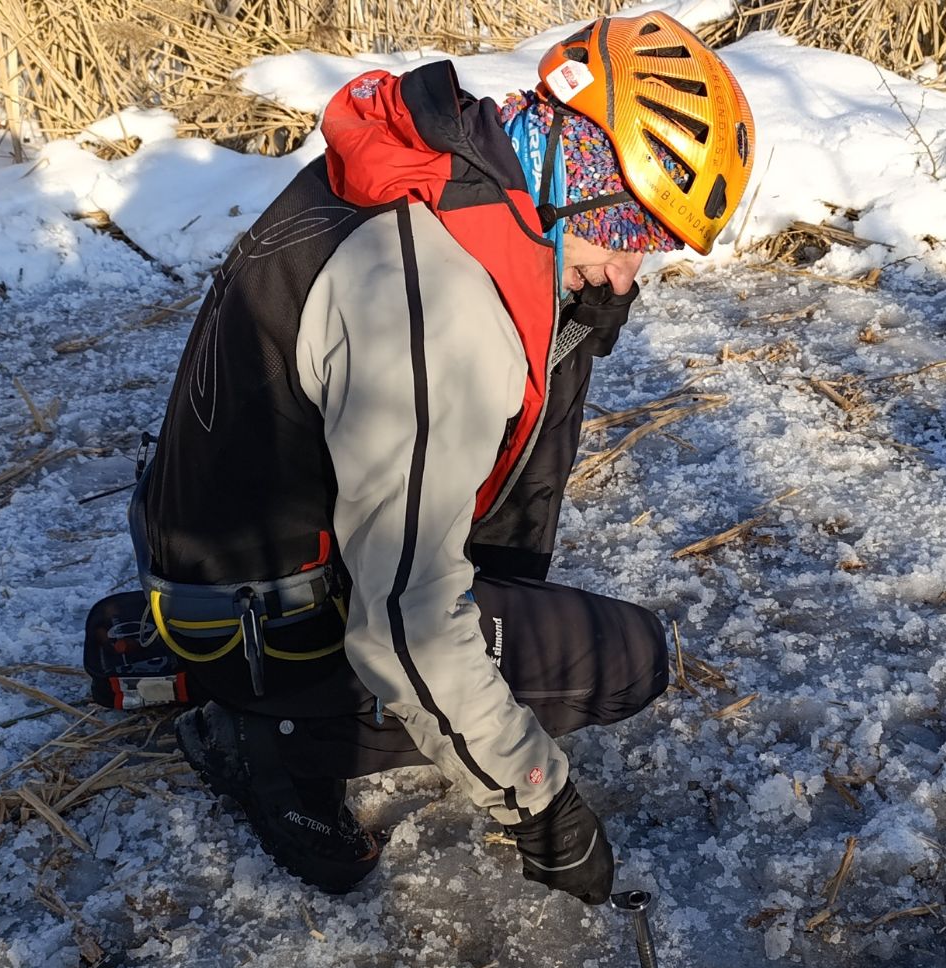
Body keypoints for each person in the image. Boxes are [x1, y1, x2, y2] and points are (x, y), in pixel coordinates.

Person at [130, 12, 755, 905]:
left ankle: (313, 696)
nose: (629, 272)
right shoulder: (438, 306)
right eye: (631, 230)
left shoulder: (430, 169)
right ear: (578, 171)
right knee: (627, 658)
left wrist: (569, 322)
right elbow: (404, 623)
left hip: (218, 554)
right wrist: (539, 801)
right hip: (264, 624)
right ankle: (273, 740)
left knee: (559, 341)